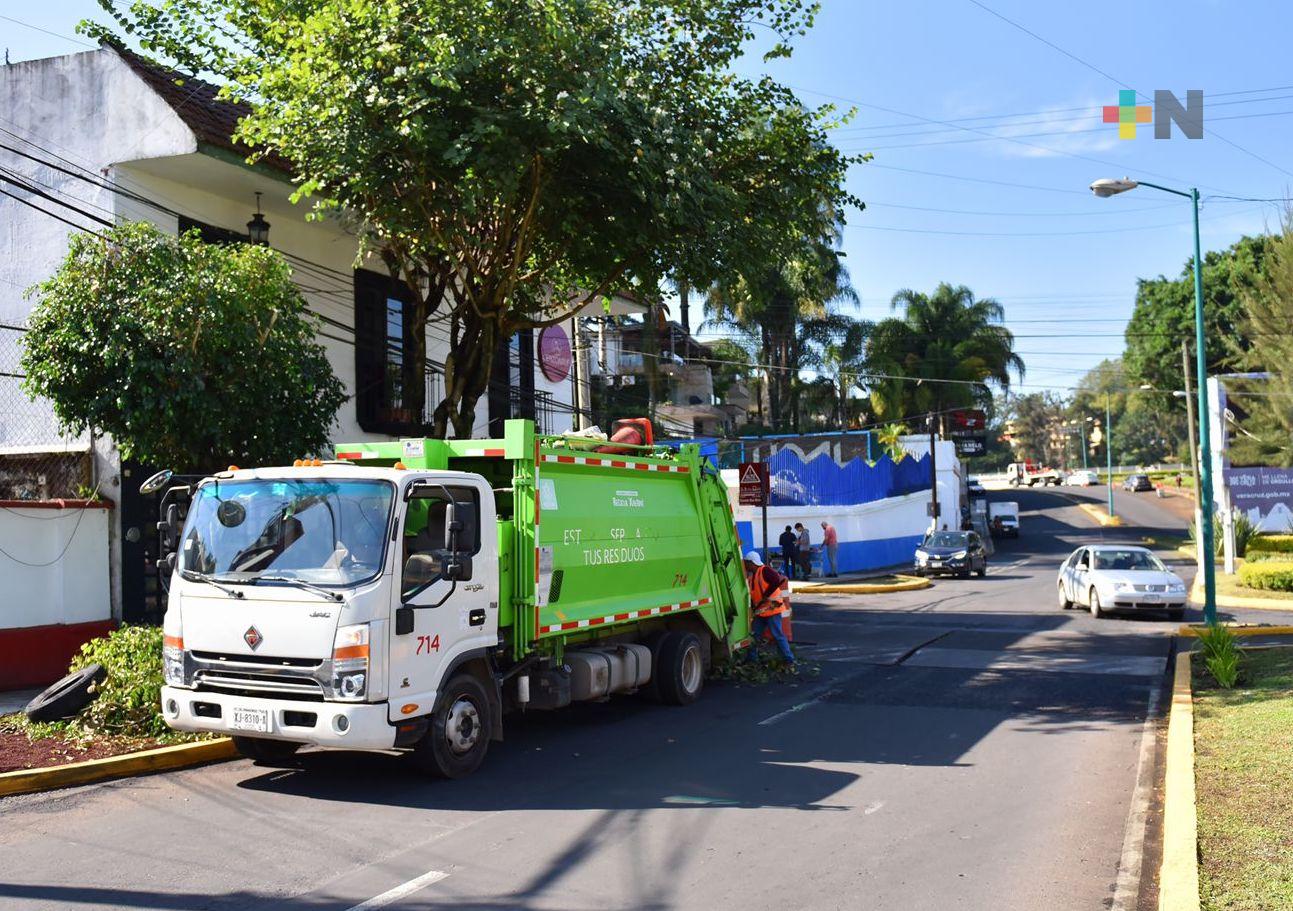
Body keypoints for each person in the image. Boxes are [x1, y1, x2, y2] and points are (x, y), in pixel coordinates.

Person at [743, 550, 794, 666]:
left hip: (772, 609)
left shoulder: (764, 570)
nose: (745, 565)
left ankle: (788, 659)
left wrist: (766, 595)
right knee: (754, 635)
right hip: (761, 611)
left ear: (752, 563)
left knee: (777, 635)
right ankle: (752, 659)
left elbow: (777, 580)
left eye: (746, 563)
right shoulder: (752, 577)